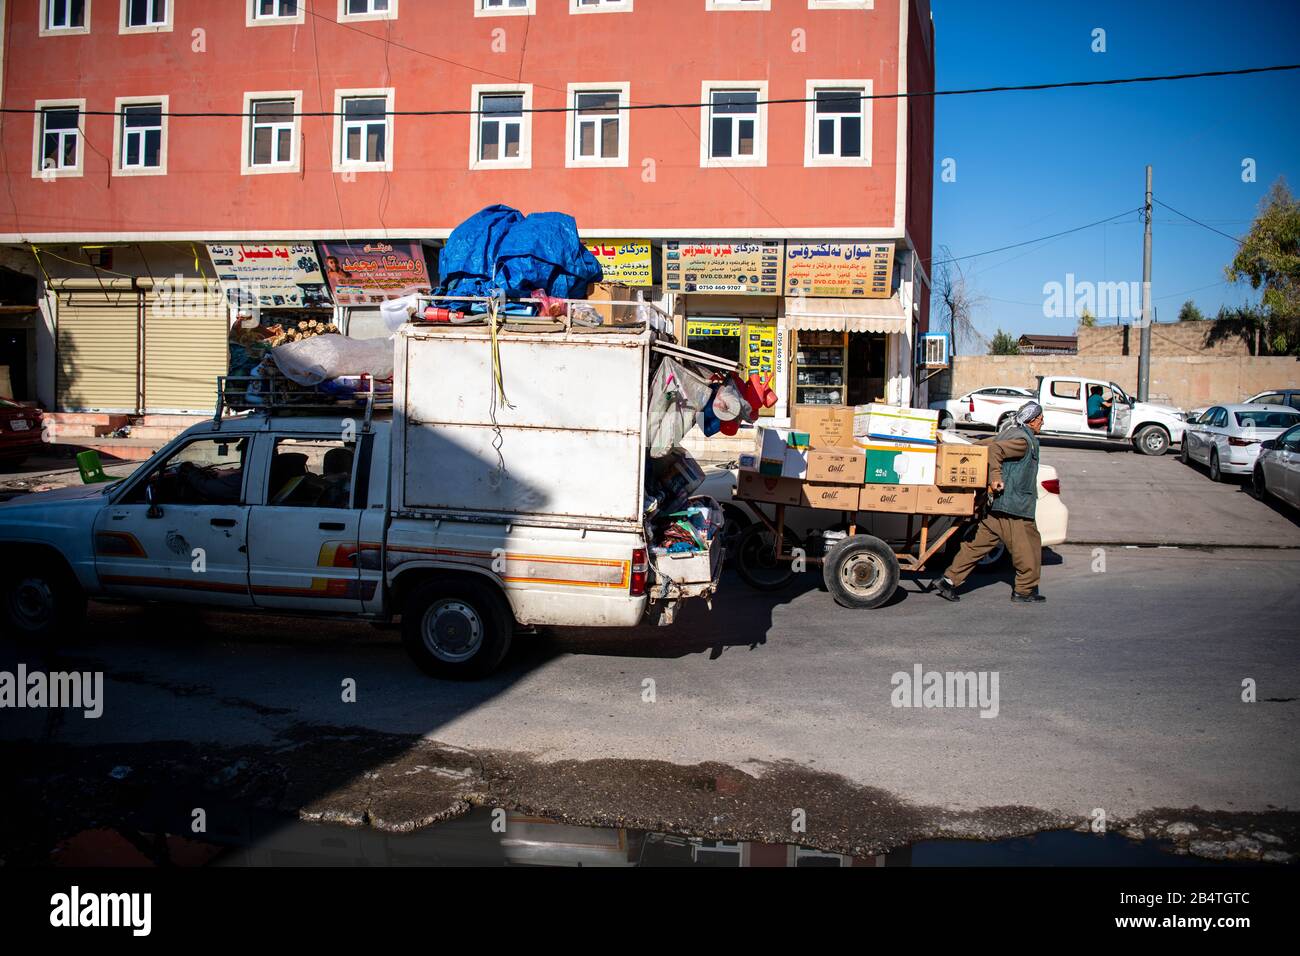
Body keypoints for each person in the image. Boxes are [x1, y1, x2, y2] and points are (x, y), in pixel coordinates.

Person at [937, 401, 1047, 604]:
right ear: (1031, 420)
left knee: (976, 547)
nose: (1042, 422)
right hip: (1015, 507)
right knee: (1028, 550)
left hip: (997, 506)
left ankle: (948, 581)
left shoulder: (1010, 433)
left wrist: (961, 448)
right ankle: (1024, 591)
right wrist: (995, 477)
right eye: (1040, 418)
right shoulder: (1023, 441)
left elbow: (986, 445)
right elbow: (995, 450)